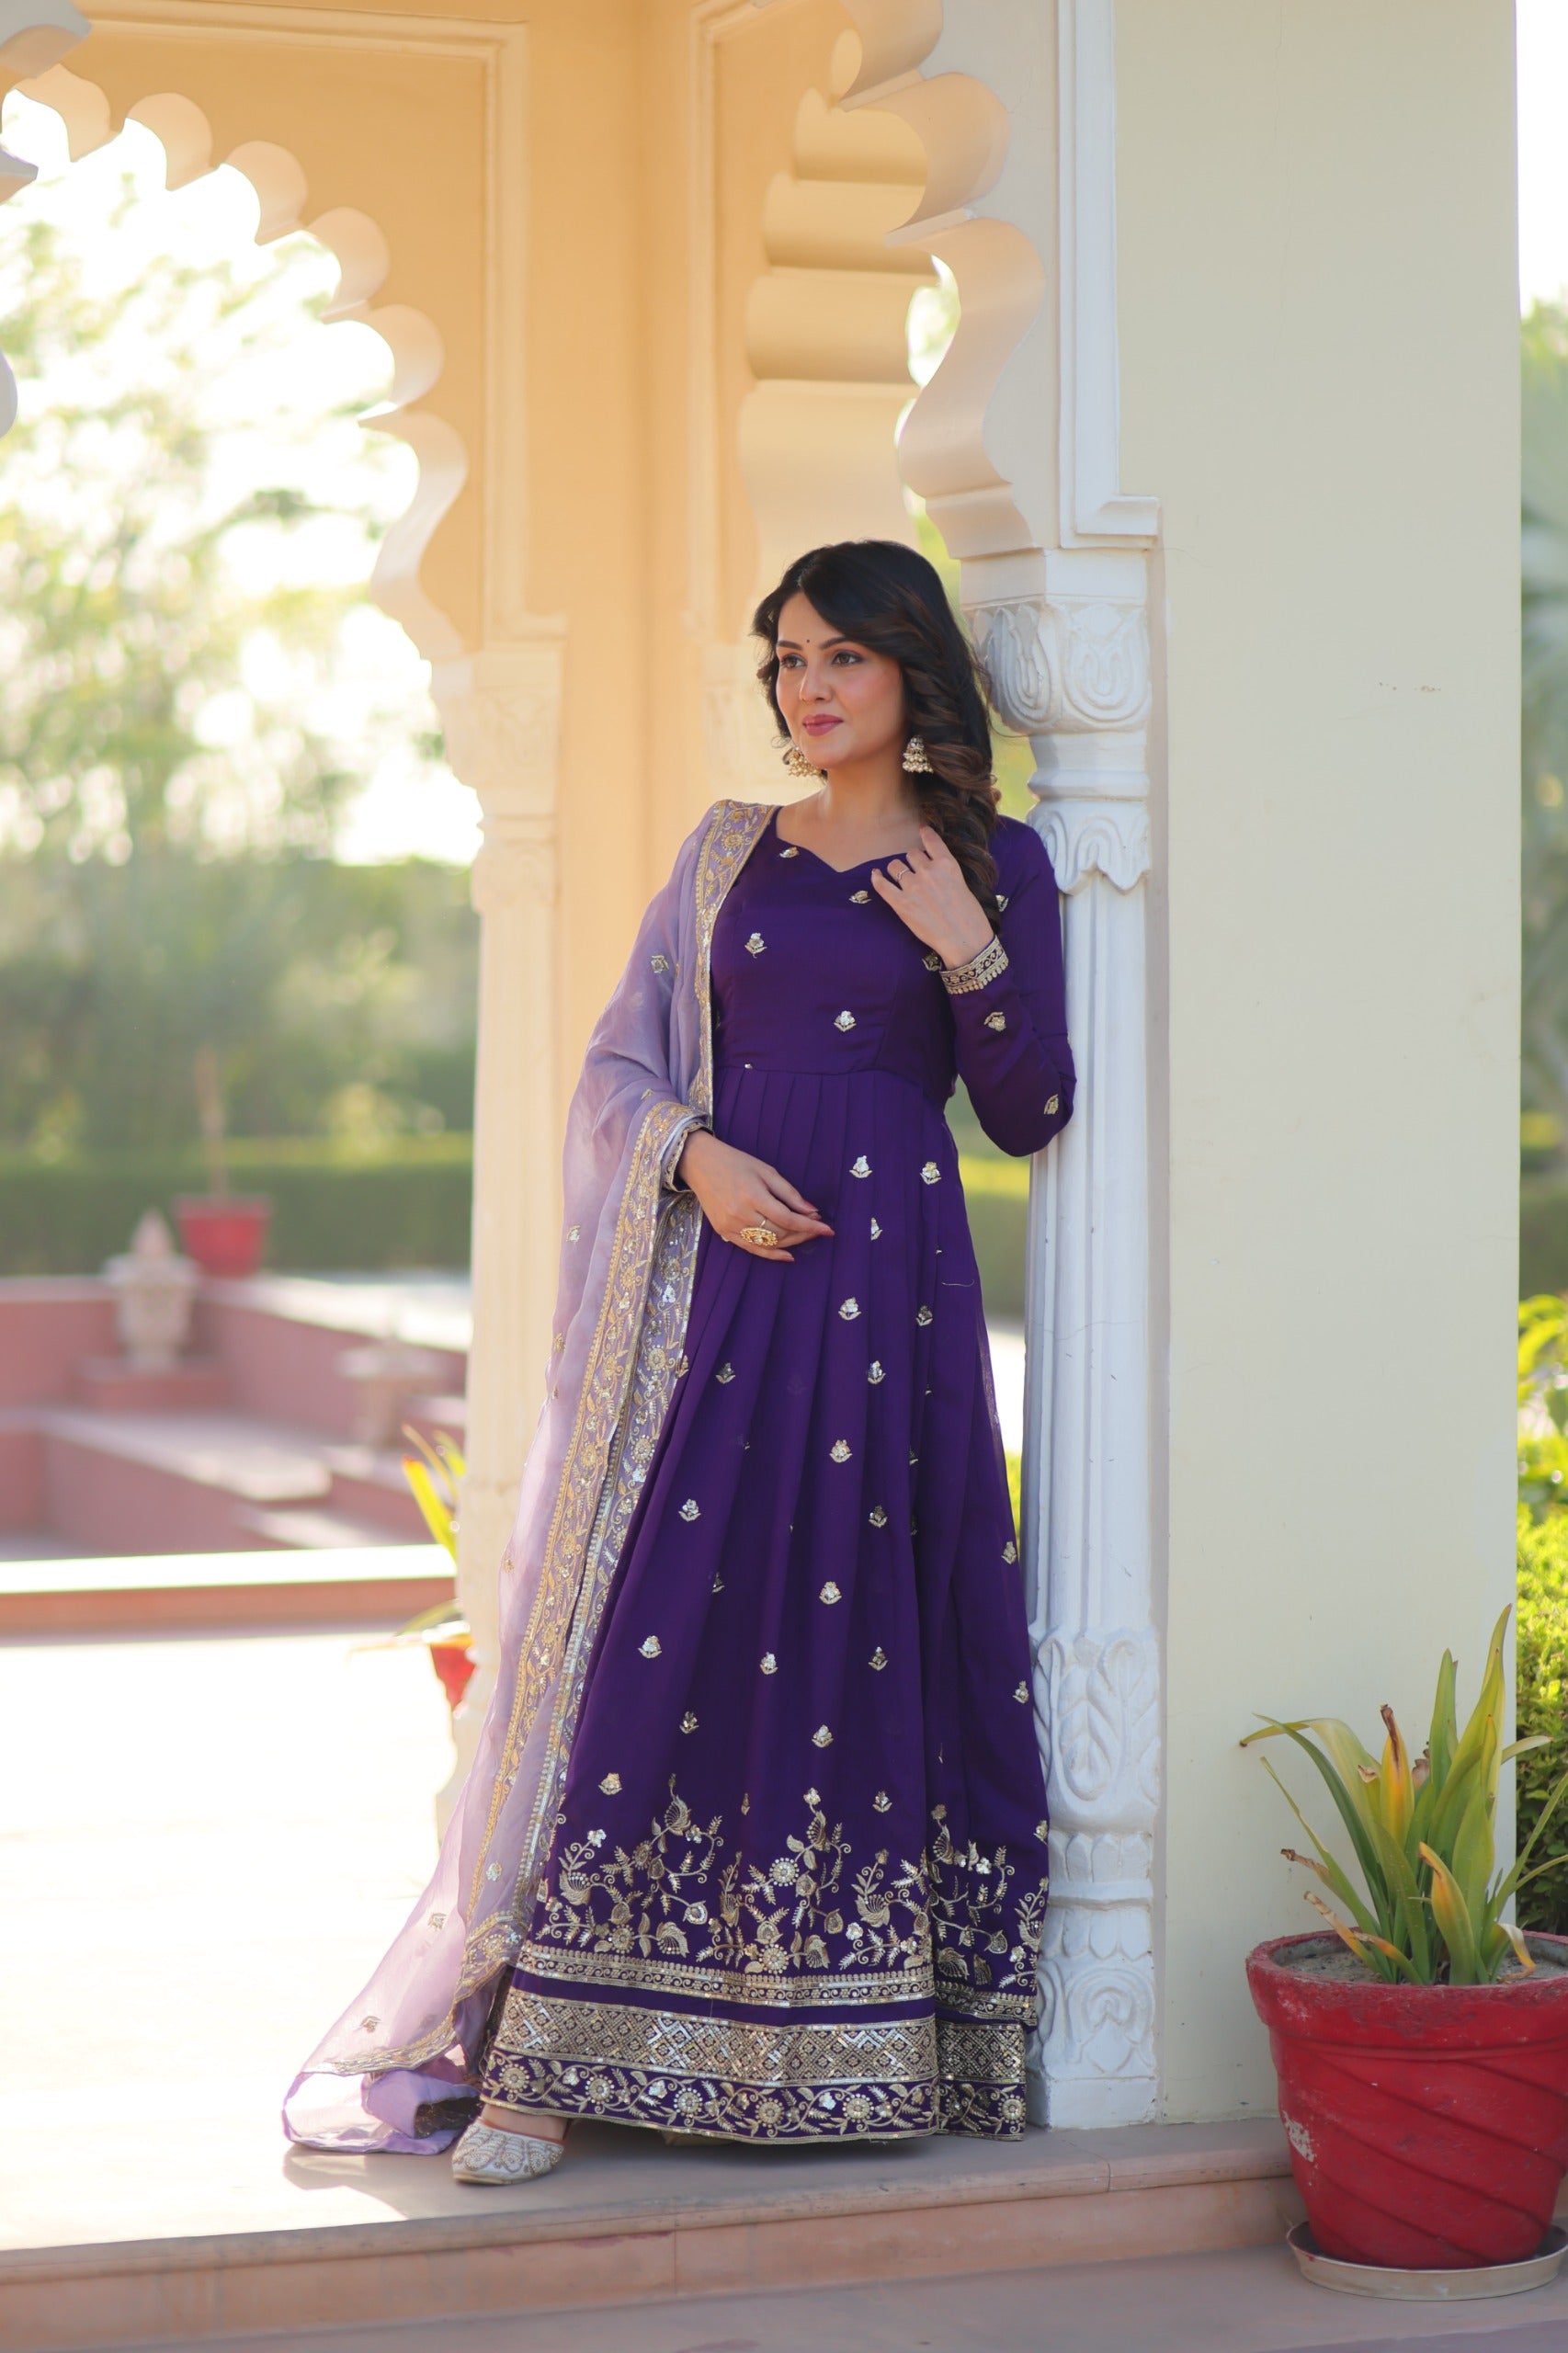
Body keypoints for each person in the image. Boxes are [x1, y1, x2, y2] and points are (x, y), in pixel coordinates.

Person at [283, 539, 1074, 2184]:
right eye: (787, 660)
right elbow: (616, 1067)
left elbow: (1028, 1110)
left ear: (910, 669)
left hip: (890, 1306)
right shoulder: (731, 858)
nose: (808, 687)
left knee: (866, 1625)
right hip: (722, 1290)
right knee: (671, 1611)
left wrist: (969, 953)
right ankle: (551, 2062)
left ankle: (857, 2034)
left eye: (841, 656)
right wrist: (692, 1162)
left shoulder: (994, 861)